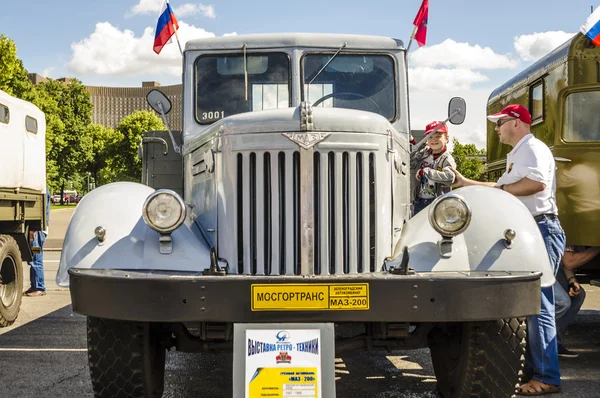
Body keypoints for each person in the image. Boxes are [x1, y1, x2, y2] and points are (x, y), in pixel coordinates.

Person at [451, 104, 565, 396]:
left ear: (516, 123)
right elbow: (502, 187)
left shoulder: (532, 148)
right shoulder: (520, 153)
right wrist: (467, 184)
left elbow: (536, 184)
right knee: (531, 305)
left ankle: (547, 376)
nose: (496, 128)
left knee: (538, 306)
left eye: (500, 123)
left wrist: (498, 192)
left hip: (541, 229)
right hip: (535, 229)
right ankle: (535, 372)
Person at [555, 245, 600, 358]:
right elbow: (569, 261)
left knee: (578, 296)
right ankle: (538, 343)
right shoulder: (570, 230)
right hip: (540, 269)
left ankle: (554, 343)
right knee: (562, 302)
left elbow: (565, 263)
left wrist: (571, 280)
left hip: (556, 268)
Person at [410, 121, 456, 215]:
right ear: (426, 140)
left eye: (438, 136)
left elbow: (450, 177)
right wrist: (412, 143)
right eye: (430, 137)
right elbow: (412, 163)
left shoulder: (447, 158)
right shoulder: (425, 152)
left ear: (447, 138)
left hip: (437, 202)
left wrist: (426, 172)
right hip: (419, 200)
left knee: (432, 229)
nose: (433, 140)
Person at [23, 188, 50, 297]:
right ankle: (35, 286)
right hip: (38, 231)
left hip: (37, 232)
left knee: (36, 258)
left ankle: (39, 287)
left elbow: (40, 212)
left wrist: (33, 230)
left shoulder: (42, 190)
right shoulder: (43, 189)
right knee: (34, 258)